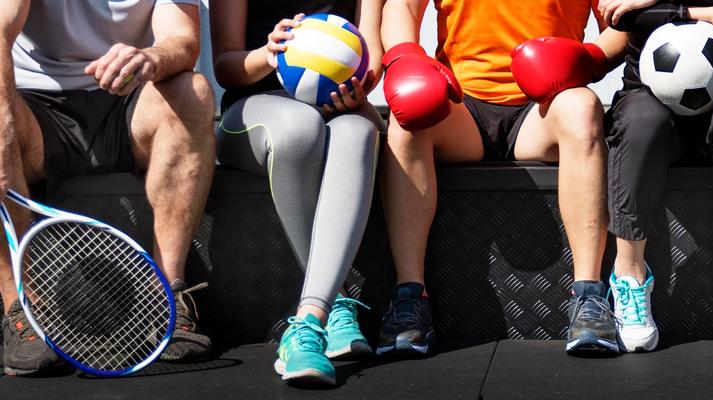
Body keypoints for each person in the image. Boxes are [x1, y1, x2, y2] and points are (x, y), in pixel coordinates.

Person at [377, 0, 627, 355]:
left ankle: (588, 297)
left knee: (584, 108)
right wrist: (406, 55)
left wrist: (588, 59)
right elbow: (402, 7)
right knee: (405, 126)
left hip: (544, 105)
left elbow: (620, 25)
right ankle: (409, 300)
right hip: (463, 104)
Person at [0, 0, 216, 375]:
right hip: (36, 107)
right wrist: (2, 130)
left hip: (127, 102)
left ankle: (167, 296)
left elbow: (183, 40)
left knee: (193, 91)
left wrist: (149, 57)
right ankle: (20, 311)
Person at [210, 0, 385, 385]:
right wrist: (268, 55)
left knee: (359, 131)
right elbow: (226, 67)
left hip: (335, 106)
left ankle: (309, 322)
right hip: (253, 108)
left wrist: (359, 85)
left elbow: (371, 55)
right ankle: (337, 299)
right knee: (301, 129)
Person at [597, 0, 713, 352]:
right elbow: (619, 13)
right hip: (647, 93)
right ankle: (629, 274)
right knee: (640, 123)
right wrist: (711, 14)